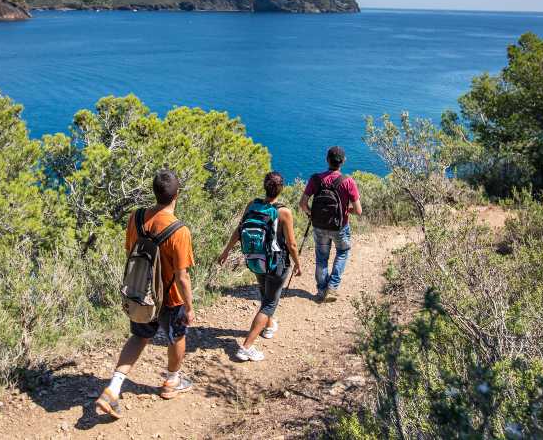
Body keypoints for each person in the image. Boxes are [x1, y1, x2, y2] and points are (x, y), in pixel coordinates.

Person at [95, 170, 196, 420]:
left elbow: (130, 251)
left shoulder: (136, 217)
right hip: (170, 298)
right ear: (177, 195)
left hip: (141, 293)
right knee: (176, 337)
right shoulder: (179, 231)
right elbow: (182, 276)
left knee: (139, 337)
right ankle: (171, 382)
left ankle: (113, 388)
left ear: (154, 192)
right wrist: (190, 306)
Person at [216, 171, 302, 362]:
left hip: (256, 259)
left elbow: (239, 230)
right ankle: (246, 347)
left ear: (265, 186)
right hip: (276, 262)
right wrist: (297, 263)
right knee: (270, 303)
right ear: (281, 189)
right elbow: (292, 244)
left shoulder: (252, 205)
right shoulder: (283, 212)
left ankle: (269, 326)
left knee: (265, 292)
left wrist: (226, 251)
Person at [299, 146, 362, 303]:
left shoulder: (315, 179)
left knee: (321, 258)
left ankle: (321, 290)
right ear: (343, 161)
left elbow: (303, 203)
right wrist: (346, 211)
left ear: (327, 160)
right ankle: (332, 286)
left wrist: (311, 214)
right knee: (342, 252)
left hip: (319, 226)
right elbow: (358, 210)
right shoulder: (348, 181)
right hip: (340, 226)